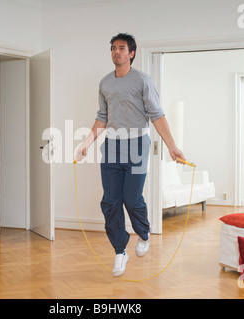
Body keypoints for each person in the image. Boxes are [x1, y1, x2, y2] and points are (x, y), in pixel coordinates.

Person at [75, 33, 185, 277]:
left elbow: (157, 115)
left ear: (131, 53)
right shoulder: (105, 83)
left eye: (122, 48)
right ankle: (119, 250)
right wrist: (87, 143)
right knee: (109, 202)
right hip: (112, 147)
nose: (116, 52)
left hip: (136, 145)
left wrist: (172, 146)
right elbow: (102, 116)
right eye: (113, 48)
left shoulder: (143, 81)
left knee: (131, 198)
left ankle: (143, 232)